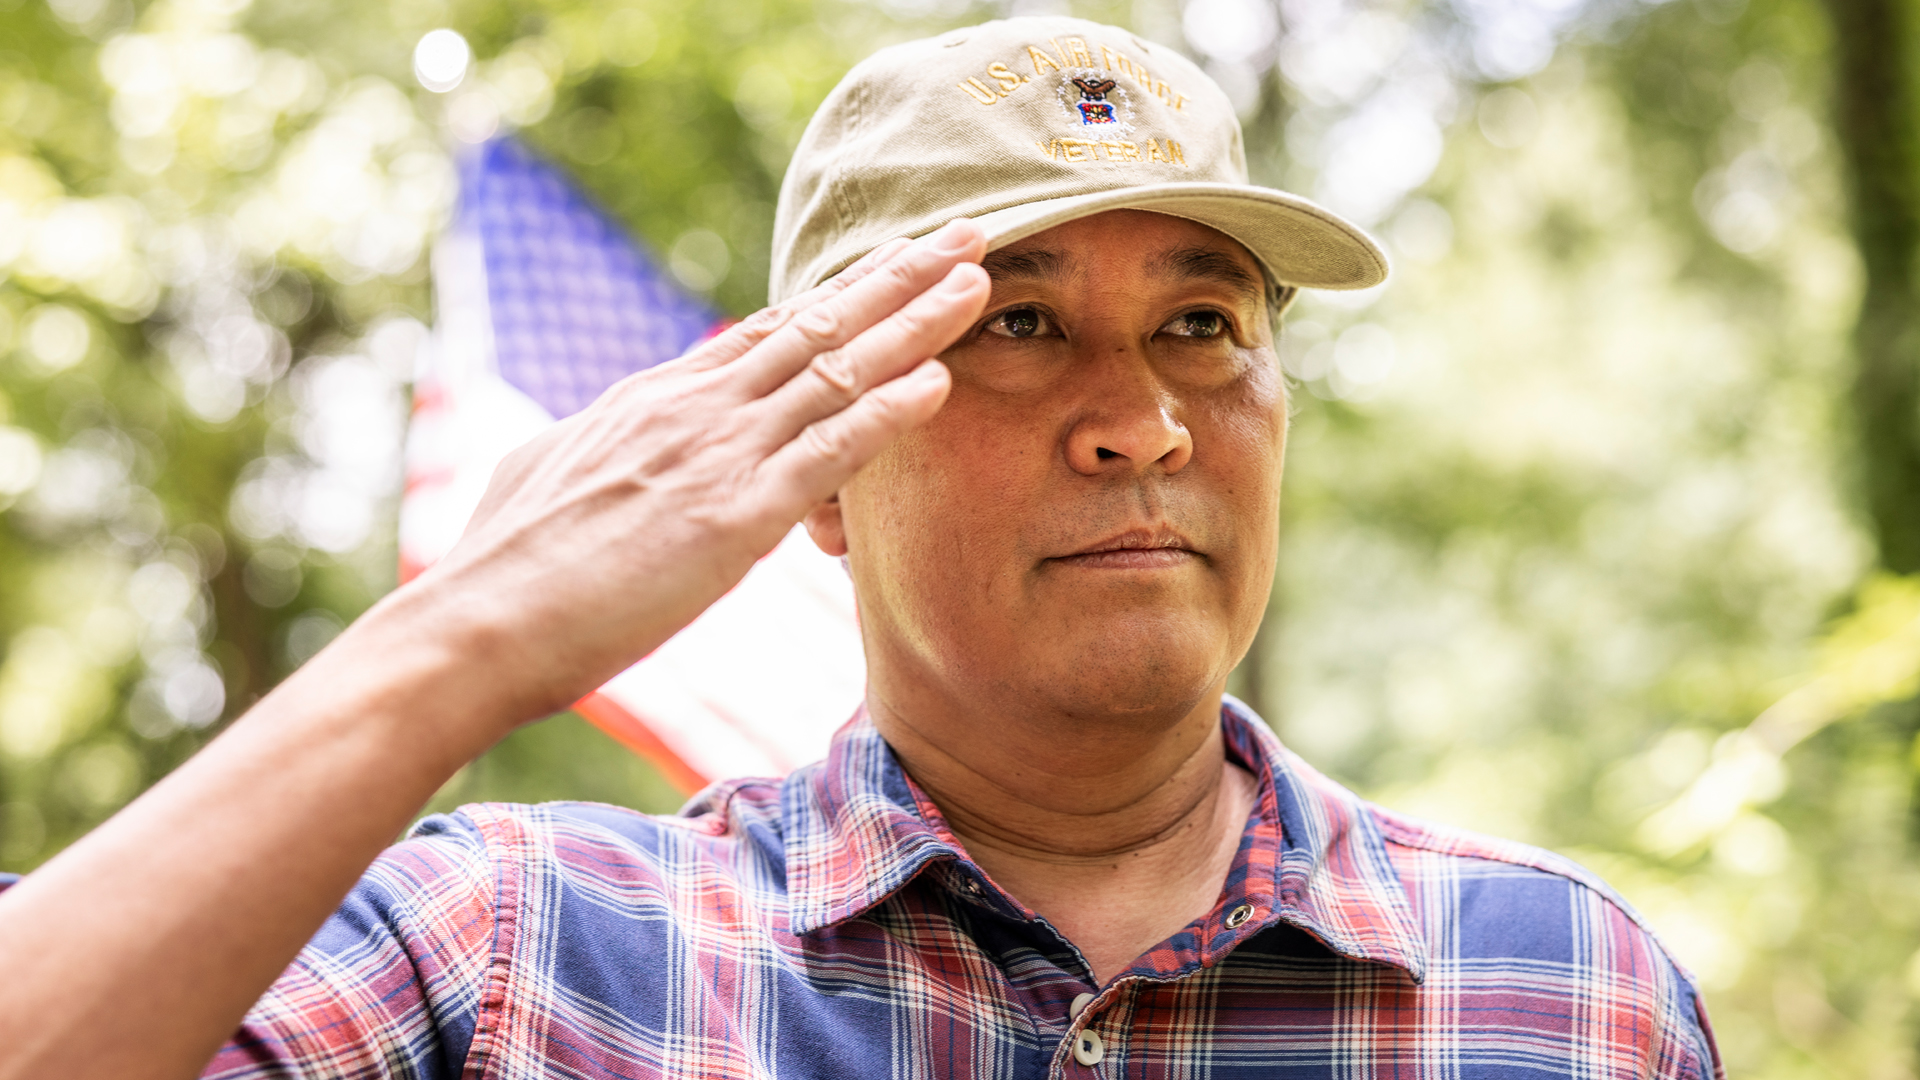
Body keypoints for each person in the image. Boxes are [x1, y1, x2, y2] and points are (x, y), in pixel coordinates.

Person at [0, 15, 1723, 1080]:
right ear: (819, 463)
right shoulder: (519, 958)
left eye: (1204, 323)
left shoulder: (1569, 994)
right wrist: (467, 641)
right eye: (1016, 326)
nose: (1143, 418)